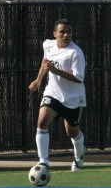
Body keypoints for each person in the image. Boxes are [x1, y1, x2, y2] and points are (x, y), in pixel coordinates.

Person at [29, 18, 86, 172]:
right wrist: (39, 79)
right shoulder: (48, 44)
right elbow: (46, 60)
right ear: (55, 34)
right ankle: (43, 162)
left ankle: (79, 155)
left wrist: (56, 71)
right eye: (62, 31)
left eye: (69, 32)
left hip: (72, 98)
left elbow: (78, 78)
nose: (66, 35)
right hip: (53, 93)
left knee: (71, 131)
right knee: (42, 121)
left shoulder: (76, 53)